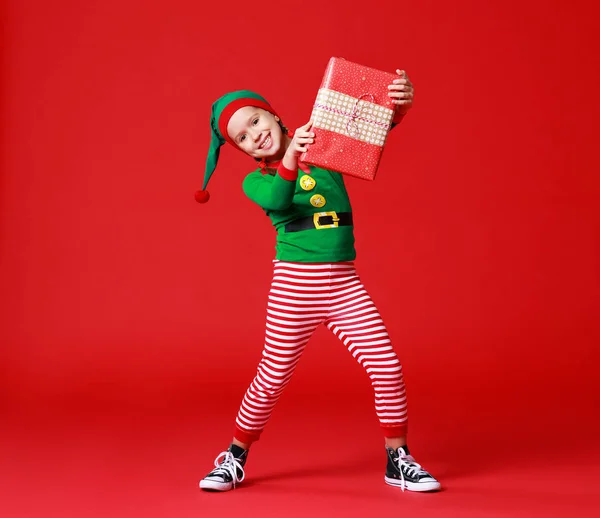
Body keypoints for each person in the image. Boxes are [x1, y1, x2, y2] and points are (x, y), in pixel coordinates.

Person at [195, 70, 440, 493]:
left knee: (388, 367)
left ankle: (397, 459)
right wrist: (292, 158)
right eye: (241, 138)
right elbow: (279, 199)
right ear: (239, 151)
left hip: (344, 285)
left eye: (254, 121)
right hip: (293, 288)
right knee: (271, 375)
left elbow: (368, 131)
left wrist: (399, 104)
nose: (253, 135)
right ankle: (235, 455)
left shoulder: (325, 150)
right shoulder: (257, 181)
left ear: (273, 115)